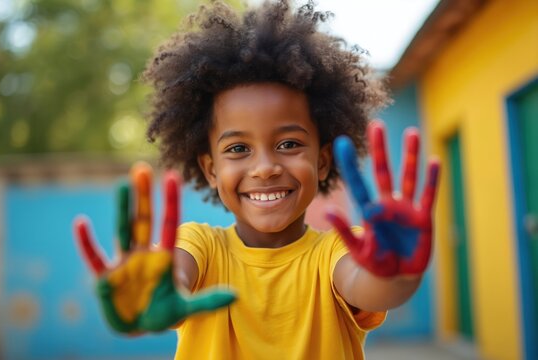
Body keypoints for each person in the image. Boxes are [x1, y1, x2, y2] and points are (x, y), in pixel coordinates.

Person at [73, 1, 440, 359]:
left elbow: (374, 286)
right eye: (237, 149)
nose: (265, 167)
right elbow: (173, 282)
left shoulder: (339, 252)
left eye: (288, 143)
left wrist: (398, 272)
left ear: (323, 161)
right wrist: (143, 299)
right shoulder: (199, 246)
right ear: (211, 169)